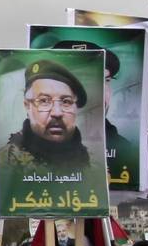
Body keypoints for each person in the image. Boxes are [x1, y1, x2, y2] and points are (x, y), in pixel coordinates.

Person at [53, 40, 139, 188]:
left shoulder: (125, 151)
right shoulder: (23, 154)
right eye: (87, 80)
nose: (101, 92)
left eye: (106, 80)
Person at [1, 59, 92, 174]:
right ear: (27, 106)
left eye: (66, 102)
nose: (57, 113)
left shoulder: (92, 164)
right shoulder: (6, 161)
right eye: (44, 101)